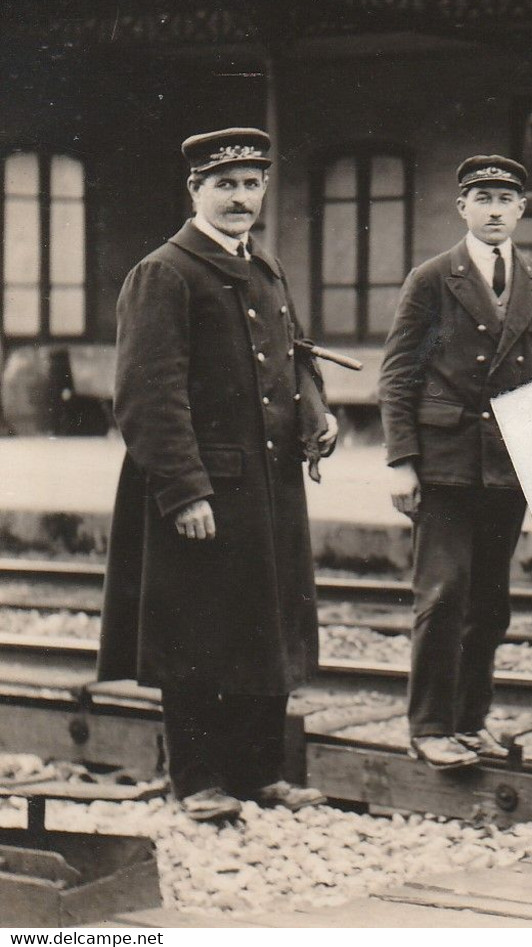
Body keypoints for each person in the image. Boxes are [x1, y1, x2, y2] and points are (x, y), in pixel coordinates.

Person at [99, 127, 337, 823]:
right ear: (195, 191)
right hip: (204, 487)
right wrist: (182, 489)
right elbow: (147, 394)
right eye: (224, 185)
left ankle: (261, 772)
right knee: (198, 630)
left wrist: (317, 410)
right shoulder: (165, 271)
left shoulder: (264, 267)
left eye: (251, 183)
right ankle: (198, 778)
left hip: (270, 486)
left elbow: (294, 356)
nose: (241, 198)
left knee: (268, 622)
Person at [377, 155, 532, 770]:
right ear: (463, 208)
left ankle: (469, 721)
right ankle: (430, 725)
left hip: (506, 468)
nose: (493, 210)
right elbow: (402, 371)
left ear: (520, 210)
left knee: (489, 601)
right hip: (446, 463)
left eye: (504, 200)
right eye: (481, 198)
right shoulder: (433, 279)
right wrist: (402, 459)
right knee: (443, 593)